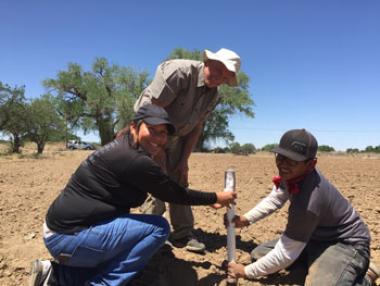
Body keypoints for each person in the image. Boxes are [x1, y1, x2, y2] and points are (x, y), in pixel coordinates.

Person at [29, 104, 236, 286]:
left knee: (124, 248)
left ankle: (55, 275)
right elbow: (175, 194)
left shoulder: (125, 145)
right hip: (68, 237)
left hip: (60, 231)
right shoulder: (135, 160)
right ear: (135, 126)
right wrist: (215, 198)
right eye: (153, 130)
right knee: (157, 228)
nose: (159, 138)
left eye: (164, 133)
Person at [226, 129, 379, 285]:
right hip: (314, 237)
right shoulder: (293, 174)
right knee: (259, 254)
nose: (283, 165)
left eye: (292, 161)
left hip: (345, 244)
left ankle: (364, 278)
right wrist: (245, 219)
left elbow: (286, 253)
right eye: (281, 157)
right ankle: (322, 266)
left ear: (311, 164)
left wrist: (246, 272)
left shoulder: (309, 203)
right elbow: (276, 197)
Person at [134, 48, 241, 253]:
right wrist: (157, 148)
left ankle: (183, 234)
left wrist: (184, 160)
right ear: (208, 61)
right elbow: (151, 111)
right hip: (149, 130)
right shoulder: (179, 72)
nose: (219, 79)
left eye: (225, 78)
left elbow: (196, 126)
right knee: (156, 179)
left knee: (179, 180)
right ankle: (153, 232)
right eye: (218, 71)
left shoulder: (213, 94)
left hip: (177, 137)